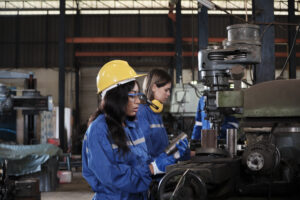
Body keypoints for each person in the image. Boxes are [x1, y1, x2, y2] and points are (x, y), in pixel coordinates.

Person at [82, 60, 188, 200]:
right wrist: (152, 168)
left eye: (138, 95)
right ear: (116, 96)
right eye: (133, 96)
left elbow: (141, 161)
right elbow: (111, 176)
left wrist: (168, 158)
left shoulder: (132, 125)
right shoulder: (98, 131)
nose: (138, 101)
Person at [137, 69, 189, 159]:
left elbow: (162, 148)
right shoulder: (142, 112)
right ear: (154, 87)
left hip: (162, 167)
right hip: (152, 169)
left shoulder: (156, 112)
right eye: (166, 90)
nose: (168, 94)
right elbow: (145, 151)